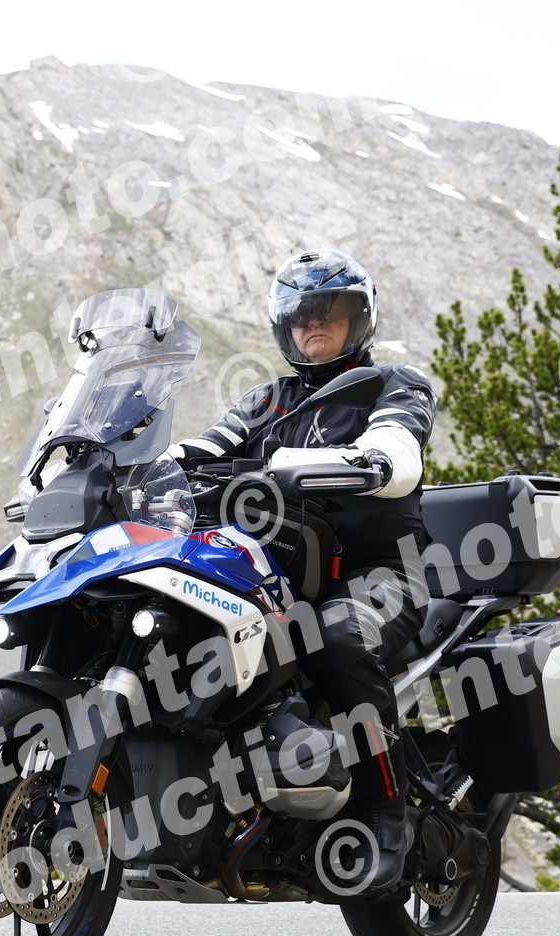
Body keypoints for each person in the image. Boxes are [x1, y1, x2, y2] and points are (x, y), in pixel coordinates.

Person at [167, 248, 437, 893]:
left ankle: (382, 812)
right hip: (282, 570)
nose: (312, 323)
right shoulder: (267, 401)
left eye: (328, 312)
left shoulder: (393, 384)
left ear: (358, 319)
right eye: (300, 314)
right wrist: (133, 469)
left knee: (339, 634)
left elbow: (398, 444)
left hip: (378, 572)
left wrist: (374, 460)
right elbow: (199, 450)